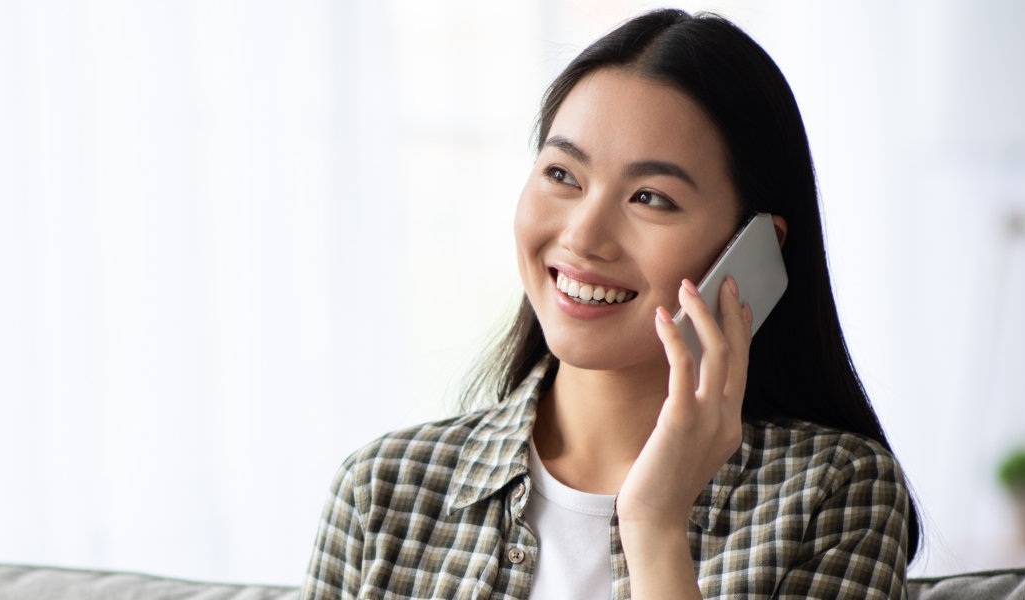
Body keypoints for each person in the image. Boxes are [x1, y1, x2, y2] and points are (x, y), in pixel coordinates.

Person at [304, 9, 918, 599]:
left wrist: (654, 524)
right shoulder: (380, 492)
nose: (582, 237)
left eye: (650, 197)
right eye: (563, 175)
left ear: (753, 249)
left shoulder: (836, 494)